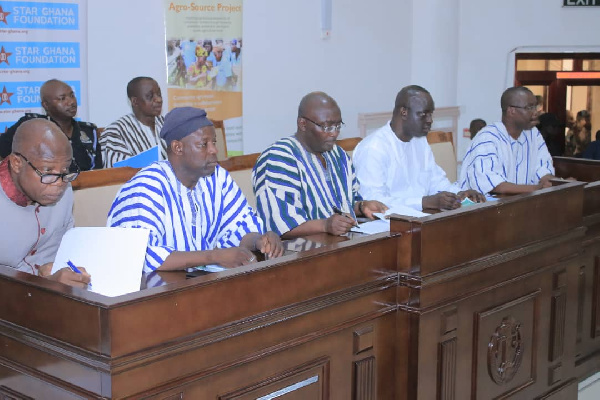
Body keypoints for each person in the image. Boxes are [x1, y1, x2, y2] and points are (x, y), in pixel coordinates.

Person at [107, 107, 284, 273]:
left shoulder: (217, 178)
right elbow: (140, 255)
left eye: (213, 142)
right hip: (152, 295)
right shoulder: (145, 188)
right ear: (178, 148)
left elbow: (239, 227)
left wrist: (259, 241)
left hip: (199, 284)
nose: (214, 150)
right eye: (203, 144)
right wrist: (213, 257)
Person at [252, 91, 388, 239]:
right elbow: (278, 225)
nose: (334, 133)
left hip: (342, 245)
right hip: (299, 253)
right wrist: (325, 225)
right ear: (302, 124)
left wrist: (363, 207)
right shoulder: (279, 159)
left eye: (337, 126)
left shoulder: (338, 155)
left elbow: (347, 202)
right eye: (326, 127)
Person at [353, 85, 485, 212]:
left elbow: (436, 180)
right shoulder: (374, 148)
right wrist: (424, 202)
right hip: (387, 227)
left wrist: (460, 194)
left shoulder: (419, 140)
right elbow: (373, 202)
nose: (430, 120)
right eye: (423, 114)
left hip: (421, 220)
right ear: (403, 112)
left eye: (431, 114)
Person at [0, 119, 91, 288]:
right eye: (47, 171)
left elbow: (62, 253)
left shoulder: (64, 188)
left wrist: (56, 269)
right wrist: (42, 284)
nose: (59, 183)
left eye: (65, 171)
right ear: (17, 163)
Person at [459, 86, 556, 195]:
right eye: (529, 107)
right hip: (486, 207)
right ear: (511, 111)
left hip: (521, 203)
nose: (535, 112)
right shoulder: (487, 138)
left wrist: (549, 183)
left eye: (535, 107)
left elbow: (544, 170)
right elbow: (495, 185)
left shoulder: (533, 134)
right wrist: (537, 188)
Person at [0, 79, 102, 171]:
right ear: (46, 105)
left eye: (72, 95)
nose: (71, 102)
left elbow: (99, 172)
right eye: (62, 98)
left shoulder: (88, 131)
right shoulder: (31, 126)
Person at [99, 77, 166, 168]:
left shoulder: (169, 124)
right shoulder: (115, 133)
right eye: (150, 96)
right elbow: (116, 173)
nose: (158, 100)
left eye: (159, 94)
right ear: (135, 101)